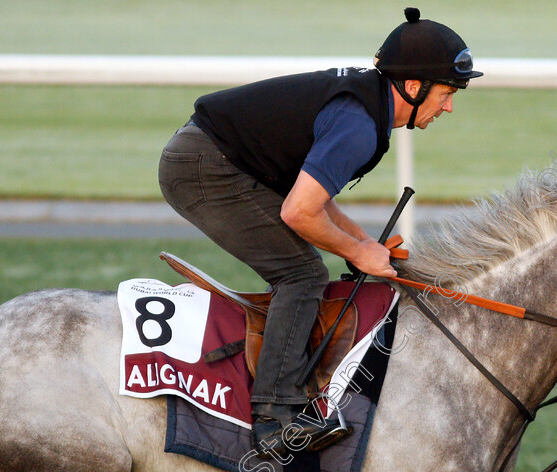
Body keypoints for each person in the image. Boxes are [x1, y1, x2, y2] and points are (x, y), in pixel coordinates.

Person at [158, 7, 482, 459]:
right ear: (414, 86)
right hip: (204, 169)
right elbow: (300, 212)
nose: (448, 105)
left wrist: (363, 245)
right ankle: (275, 418)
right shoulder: (359, 126)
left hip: (218, 158)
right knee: (303, 274)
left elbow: (317, 196)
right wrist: (360, 252)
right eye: (447, 92)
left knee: (313, 262)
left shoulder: (367, 106)